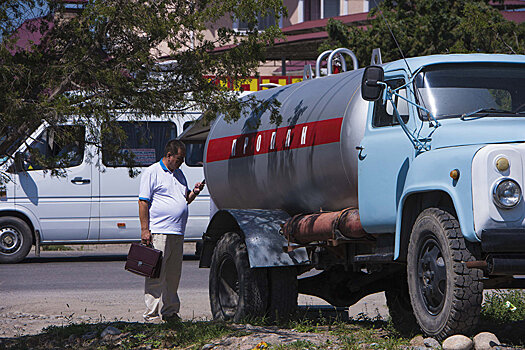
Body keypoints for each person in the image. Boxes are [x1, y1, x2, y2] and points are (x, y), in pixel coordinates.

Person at [138, 139, 205, 322]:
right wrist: (145, 229)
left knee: (173, 275)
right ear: (169, 155)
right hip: (160, 231)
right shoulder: (152, 172)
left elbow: (184, 200)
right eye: (179, 158)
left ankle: (170, 311)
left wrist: (195, 192)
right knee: (156, 274)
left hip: (177, 231)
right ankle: (151, 315)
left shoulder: (180, 174)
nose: (181, 162)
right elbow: (143, 202)